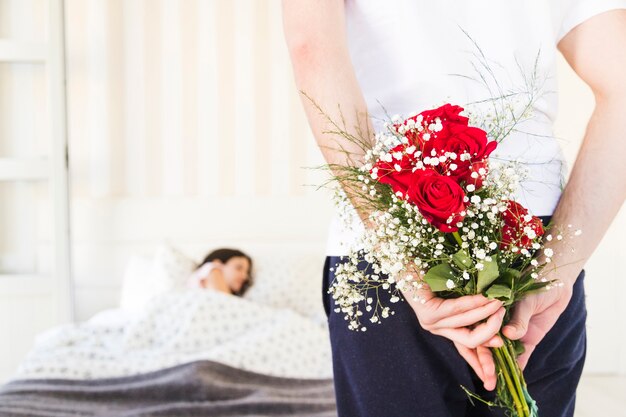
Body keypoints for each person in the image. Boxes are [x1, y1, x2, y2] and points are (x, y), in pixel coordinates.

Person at [282, 2, 626, 416]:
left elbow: (311, 50)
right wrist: (558, 273)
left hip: (391, 240)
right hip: (534, 243)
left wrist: (409, 272)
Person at [187, 248, 253, 297]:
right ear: (217, 263)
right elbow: (221, 301)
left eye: (247, 272)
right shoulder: (212, 268)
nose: (245, 276)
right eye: (238, 268)